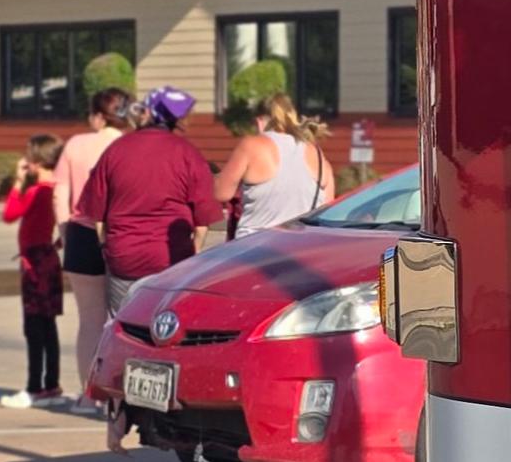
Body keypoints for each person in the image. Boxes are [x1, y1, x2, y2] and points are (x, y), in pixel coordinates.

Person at [75, 86, 222, 318]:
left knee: (121, 328)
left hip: (124, 258)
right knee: (167, 326)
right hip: (172, 260)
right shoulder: (188, 153)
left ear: (147, 113)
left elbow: (97, 214)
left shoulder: (116, 150)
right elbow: (202, 221)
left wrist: (106, 246)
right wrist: (192, 252)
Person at [51, 87, 132, 398]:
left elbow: (59, 192)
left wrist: (66, 231)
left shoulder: (76, 144)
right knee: (126, 319)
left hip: (82, 231)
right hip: (125, 233)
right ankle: (123, 394)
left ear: (98, 116)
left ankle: (89, 394)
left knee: (89, 321)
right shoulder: (129, 144)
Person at [214, 93, 335, 239]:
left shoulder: (251, 146)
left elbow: (221, 193)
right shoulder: (318, 155)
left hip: (254, 246)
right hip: (303, 247)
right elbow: (327, 208)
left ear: (260, 121)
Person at [1, 134, 65, 408]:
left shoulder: (37, 191)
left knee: (33, 326)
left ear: (36, 162)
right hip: (49, 259)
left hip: (34, 261)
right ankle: (51, 383)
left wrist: (18, 180)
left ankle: (33, 387)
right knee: (48, 325)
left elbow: (9, 213)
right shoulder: (57, 190)